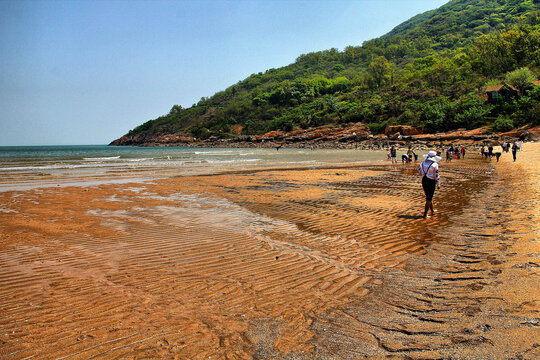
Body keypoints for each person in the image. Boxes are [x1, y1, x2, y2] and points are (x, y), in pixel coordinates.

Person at [419, 150, 441, 218]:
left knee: (428, 196)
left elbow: (419, 173)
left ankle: (432, 210)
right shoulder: (435, 165)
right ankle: (425, 215)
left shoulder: (422, 163)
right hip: (431, 181)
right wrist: (438, 184)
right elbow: (436, 175)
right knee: (429, 198)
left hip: (424, 181)